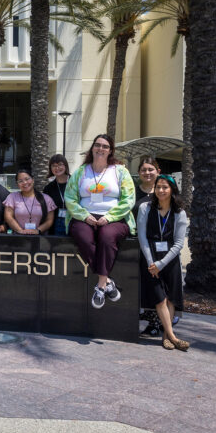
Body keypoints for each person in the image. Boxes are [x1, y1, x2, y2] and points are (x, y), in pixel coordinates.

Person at [64, 134, 136, 309]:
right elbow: (70, 198)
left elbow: (129, 199)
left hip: (114, 218)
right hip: (85, 216)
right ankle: (107, 282)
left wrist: (109, 217)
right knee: (82, 236)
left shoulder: (120, 171)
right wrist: (84, 216)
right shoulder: (81, 172)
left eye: (105, 146)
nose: (100, 149)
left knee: (106, 237)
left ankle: (100, 286)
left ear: (110, 150)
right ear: (92, 148)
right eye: (97, 145)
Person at [137, 175, 189, 351]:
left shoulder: (179, 213)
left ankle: (166, 337)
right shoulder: (145, 207)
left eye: (165, 187)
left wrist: (162, 263)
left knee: (171, 300)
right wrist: (152, 262)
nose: (160, 190)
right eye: (158, 187)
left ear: (172, 190)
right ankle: (173, 337)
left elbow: (179, 243)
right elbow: (142, 236)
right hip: (150, 259)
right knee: (160, 299)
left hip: (170, 260)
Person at [133, 156, 163, 335]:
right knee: (138, 281)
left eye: (151, 169)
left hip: (157, 244)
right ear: (139, 173)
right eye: (144, 170)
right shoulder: (133, 193)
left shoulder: (163, 191)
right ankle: (140, 315)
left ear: (158, 172)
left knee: (156, 282)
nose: (147, 172)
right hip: (136, 243)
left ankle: (156, 322)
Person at [4, 168, 56, 235]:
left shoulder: (46, 199)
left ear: (33, 180)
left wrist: (38, 231)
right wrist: (20, 231)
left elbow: (50, 220)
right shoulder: (12, 197)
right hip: (18, 237)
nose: (24, 183)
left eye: (27, 179)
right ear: (17, 184)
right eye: (20, 181)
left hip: (40, 239)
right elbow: (8, 217)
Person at [43, 154, 70, 235]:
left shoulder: (75, 182)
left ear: (65, 165)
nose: (57, 168)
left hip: (75, 220)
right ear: (50, 169)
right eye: (54, 166)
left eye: (60, 164)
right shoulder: (48, 188)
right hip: (56, 223)